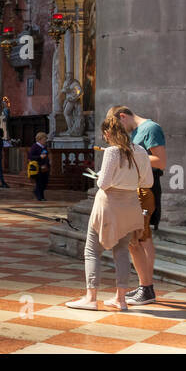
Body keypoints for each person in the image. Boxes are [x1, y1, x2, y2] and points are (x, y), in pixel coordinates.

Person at [65, 110, 153, 312]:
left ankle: (91, 298)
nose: (104, 137)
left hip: (109, 205)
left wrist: (100, 176)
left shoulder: (112, 151)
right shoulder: (140, 150)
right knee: (122, 250)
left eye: (105, 133)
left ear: (110, 133)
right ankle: (121, 300)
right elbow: (148, 182)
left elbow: (103, 184)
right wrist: (128, 181)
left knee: (92, 250)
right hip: (130, 205)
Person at [116, 106, 166, 305]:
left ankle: (147, 288)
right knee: (139, 238)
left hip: (147, 189)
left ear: (123, 116)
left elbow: (160, 161)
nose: (122, 131)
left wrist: (130, 155)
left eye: (120, 126)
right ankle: (144, 286)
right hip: (137, 188)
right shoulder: (137, 132)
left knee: (140, 238)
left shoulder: (151, 128)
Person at [28, 131, 51, 200]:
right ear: (40, 139)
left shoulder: (44, 147)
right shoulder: (34, 147)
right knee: (39, 182)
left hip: (45, 167)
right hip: (38, 167)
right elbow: (30, 157)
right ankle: (40, 197)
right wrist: (39, 157)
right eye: (44, 139)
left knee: (45, 182)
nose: (45, 141)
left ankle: (37, 193)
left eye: (46, 139)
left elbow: (46, 155)